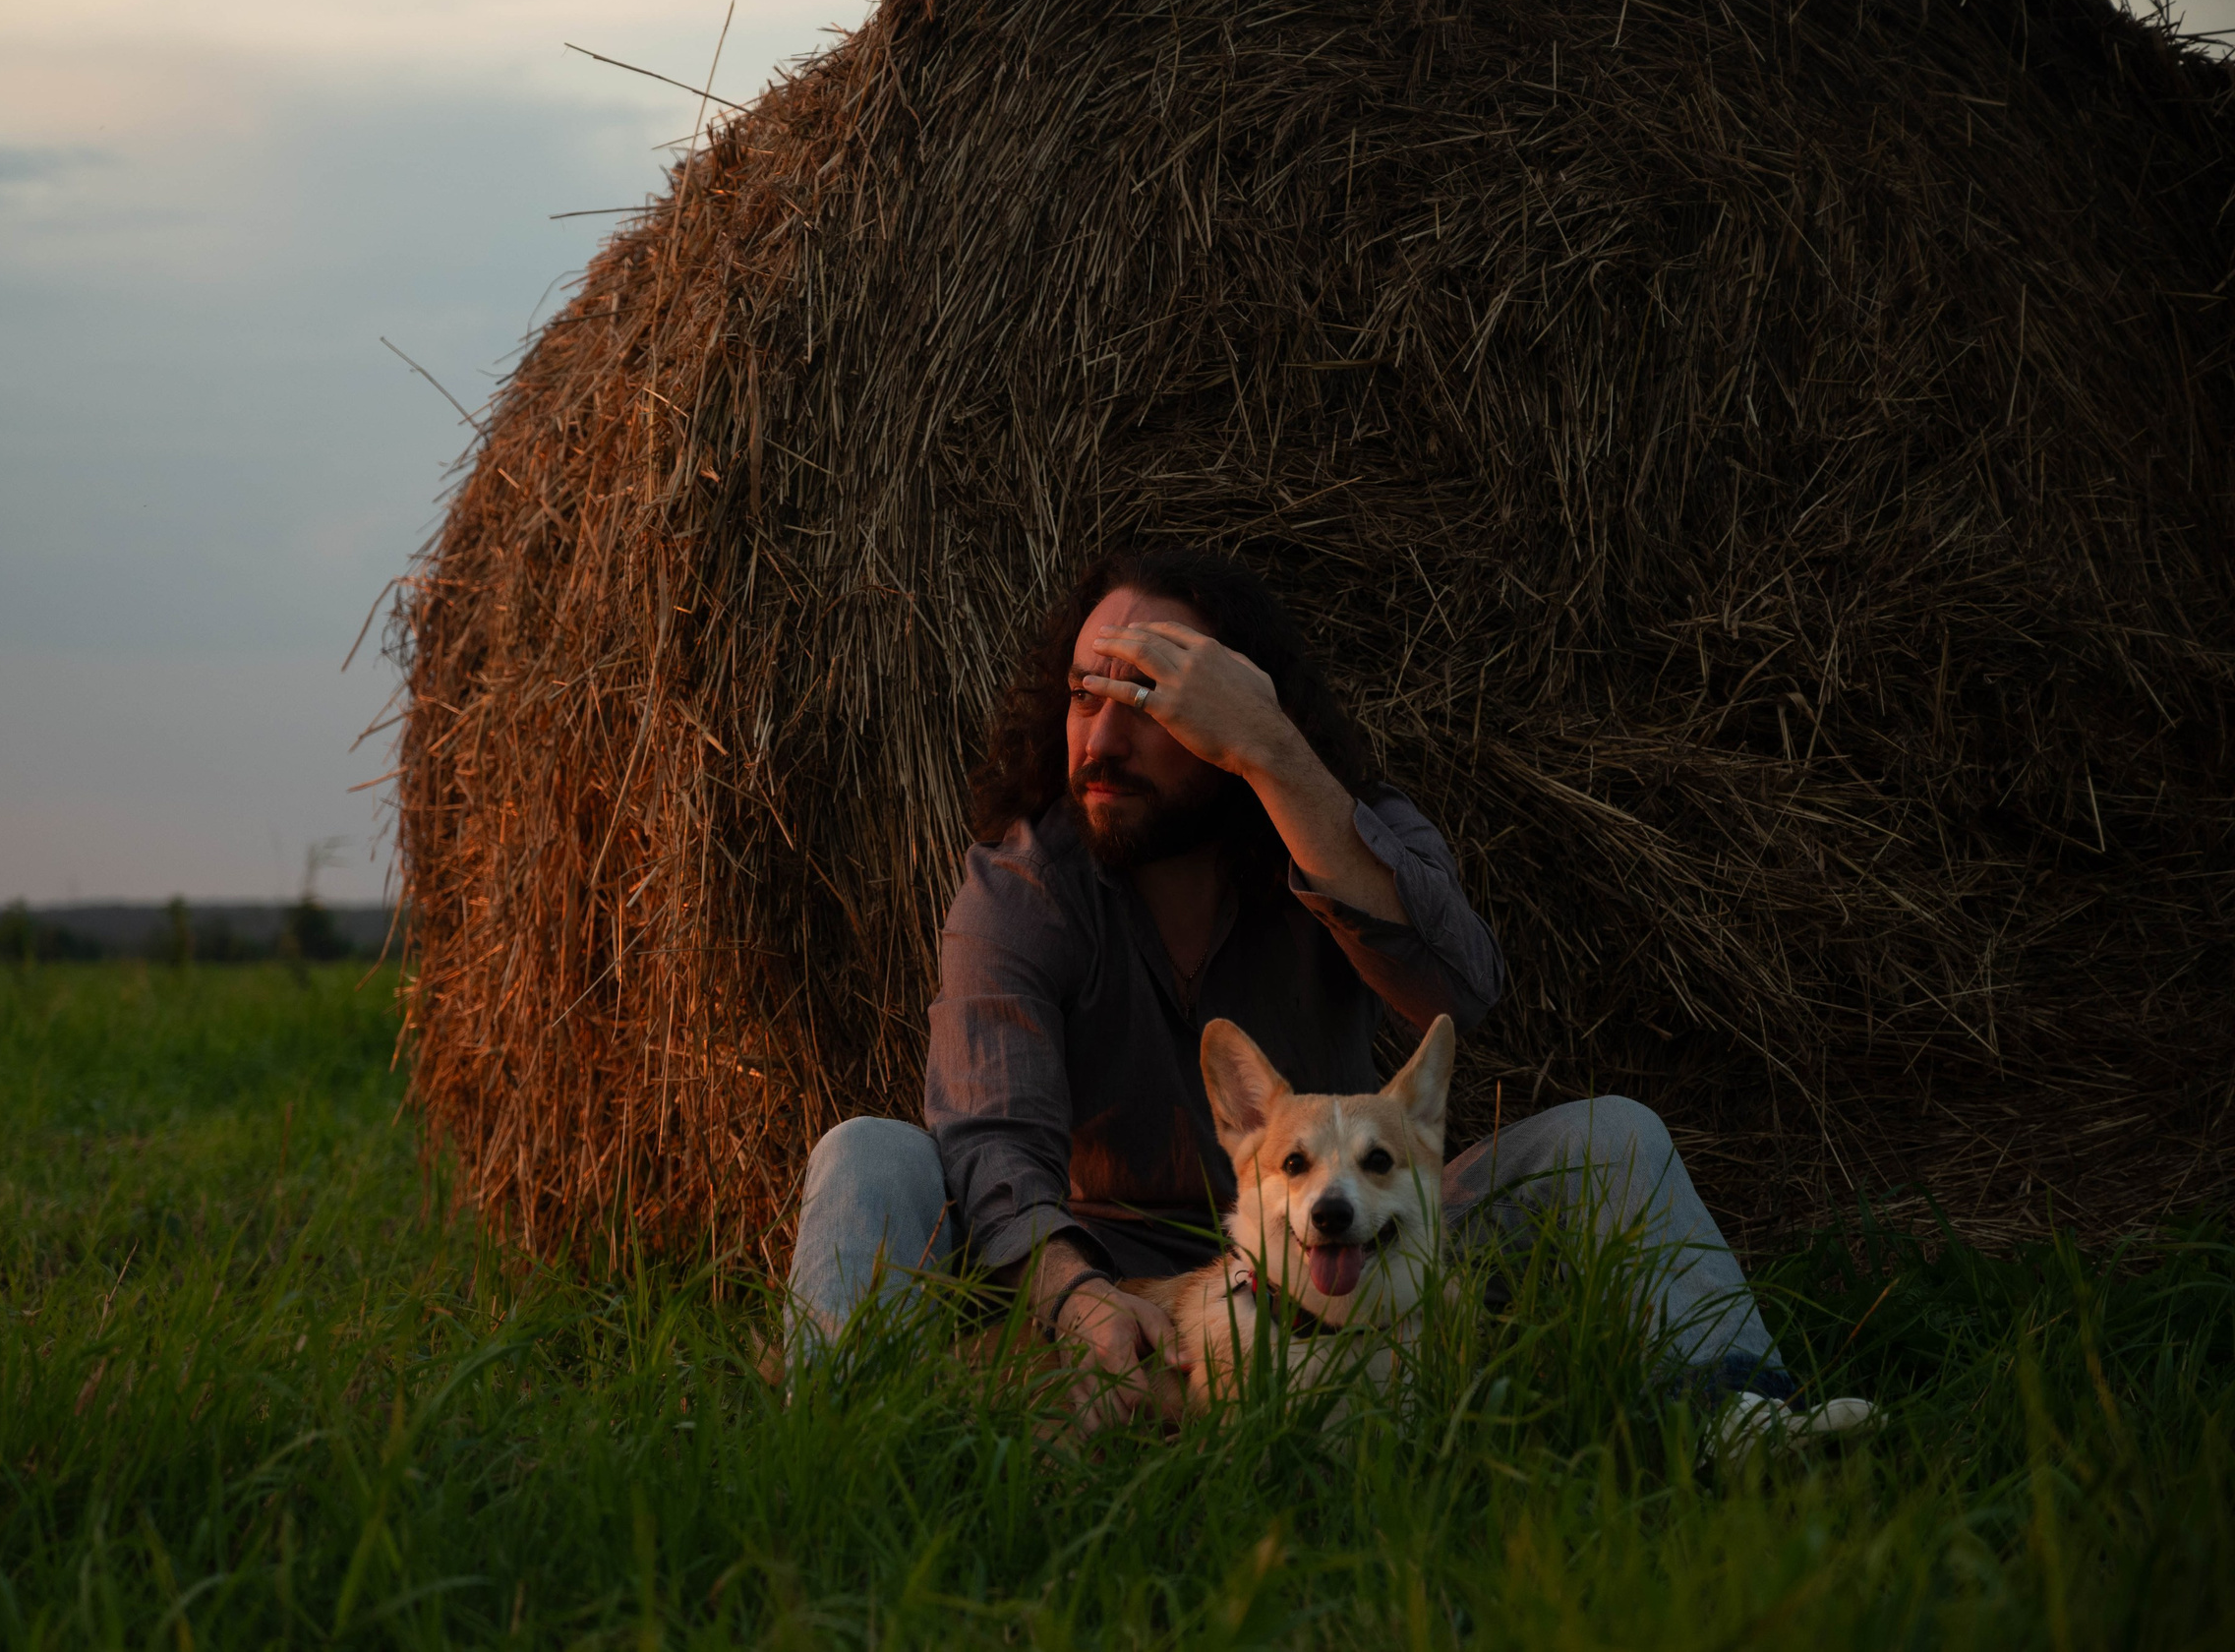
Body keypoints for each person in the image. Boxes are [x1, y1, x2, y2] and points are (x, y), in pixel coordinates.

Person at [785, 548, 1873, 1453]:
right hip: (1102, 1275)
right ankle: (825, 1452)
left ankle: (1737, 1412)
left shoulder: (1336, 828)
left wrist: (1274, 756)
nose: (1099, 737)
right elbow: (994, 1141)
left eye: (1146, 696)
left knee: (1613, 1138)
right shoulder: (1024, 881)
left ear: (1235, 712)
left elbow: (1460, 985)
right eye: (1083, 691)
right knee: (868, 1153)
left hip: (1356, 1257)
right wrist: (1072, 1297)